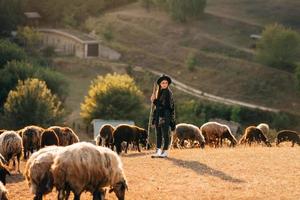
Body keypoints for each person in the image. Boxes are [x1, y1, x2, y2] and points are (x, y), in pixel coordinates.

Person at [150, 74, 176, 158]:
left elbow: (165, 105)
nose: (164, 84)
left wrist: (154, 101)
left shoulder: (168, 93)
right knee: (158, 133)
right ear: (160, 84)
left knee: (165, 133)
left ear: (168, 84)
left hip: (165, 115)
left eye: (166, 83)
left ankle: (165, 152)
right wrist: (154, 100)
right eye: (163, 83)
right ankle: (158, 151)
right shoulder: (159, 92)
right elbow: (158, 106)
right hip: (158, 115)